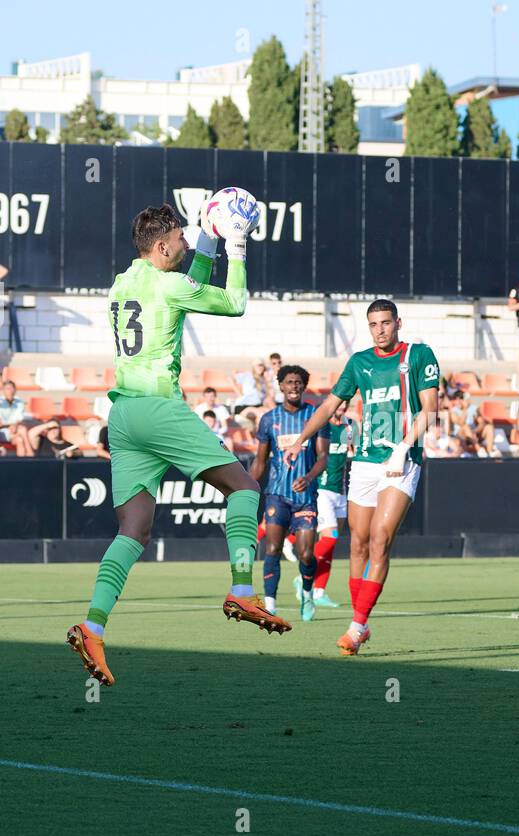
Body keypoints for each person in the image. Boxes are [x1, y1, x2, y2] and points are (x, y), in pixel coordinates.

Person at [66, 201, 289, 688]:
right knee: (245, 490)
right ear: (163, 246)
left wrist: (205, 242)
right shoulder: (169, 284)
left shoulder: (123, 283)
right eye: (182, 240)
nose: (186, 245)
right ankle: (243, 589)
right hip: (158, 407)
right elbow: (232, 302)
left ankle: (94, 625)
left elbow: (189, 286)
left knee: (134, 530)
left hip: (122, 415)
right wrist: (235, 244)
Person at [283, 298, 440, 656]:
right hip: (366, 461)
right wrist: (302, 438)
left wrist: (403, 447)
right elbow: (328, 405)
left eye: (386, 322)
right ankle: (362, 622)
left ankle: (355, 626)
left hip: (402, 459)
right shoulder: (359, 362)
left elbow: (430, 409)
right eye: (373, 324)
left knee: (381, 538)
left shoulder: (418, 355)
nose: (380, 329)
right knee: (357, 543)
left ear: (398, 323)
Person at [251, 365, 329, 622]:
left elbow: (323, 457)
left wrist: (308, 478)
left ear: (304, 386)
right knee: (272, 547)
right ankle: (270, 605)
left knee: (307, 554)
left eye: (298, 382)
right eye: (289, 382)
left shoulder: (316, 415)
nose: (294, 386)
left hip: (306, 496)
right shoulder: (269, 419)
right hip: (276, 493)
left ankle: (307, 593)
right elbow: (260, 461)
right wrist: (248, 489)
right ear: (281, 386)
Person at [294, 400, 353, 609]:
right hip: (322, 491)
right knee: (330, 537)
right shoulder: (322, 428)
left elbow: (353, 451)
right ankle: (302, 577)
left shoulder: (349, 427)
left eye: (346, 405)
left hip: (340, 491)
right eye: (340, 404)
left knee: (331, 544)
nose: (343, 408)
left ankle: (319, 591)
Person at [0, 380, 30, 456]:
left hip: (15, 430)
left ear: (15, 390)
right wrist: (10, 425)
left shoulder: (19, 401)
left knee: (20, 439)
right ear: (3, 391)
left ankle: (23, 463)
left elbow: (19, 419)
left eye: (12, 388)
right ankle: (30, 454)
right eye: (7, 389)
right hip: (1, 431)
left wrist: (15, 425)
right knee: (22, 431)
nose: (10, 391)